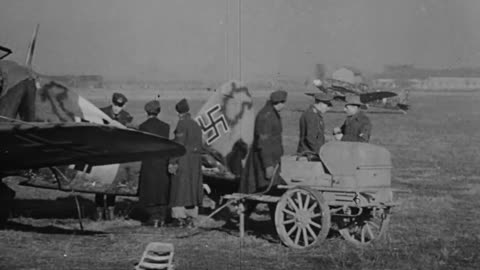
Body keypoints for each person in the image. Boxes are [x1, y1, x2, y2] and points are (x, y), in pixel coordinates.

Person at [239, 89, 287, 194]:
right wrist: (268, 165)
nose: (284, 106)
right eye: (283, 103)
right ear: (278, 103)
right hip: (264, 160)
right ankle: (244, 207)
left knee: (269, 189)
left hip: (272, 159)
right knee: (264, 188)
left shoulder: (272, 114)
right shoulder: (266, 117)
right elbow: (263, 143)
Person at [95, 92, 133, 220]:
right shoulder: (101, 112)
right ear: (112, 103)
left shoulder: (126, 116)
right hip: (102, 153)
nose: (117, 108)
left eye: (120, 106)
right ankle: (99, 211)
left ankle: (110, 210)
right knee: (100, 183)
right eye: (116, 105)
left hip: (116, 154)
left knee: (113, 183)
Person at [168, 98, 203, 228]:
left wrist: (172, 162)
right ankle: (191, 217)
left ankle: (179, 218)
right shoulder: (195, 124)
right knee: (192, 190)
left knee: (179, 190)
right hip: (195, 162)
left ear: (179, 113)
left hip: (184, 161)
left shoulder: (182, 124)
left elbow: (179, 144)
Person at [138, 100, 170, 227]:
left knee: (150, 190)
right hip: (162, 161)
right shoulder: (166, 127)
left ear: (147, 112)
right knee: (161, 189)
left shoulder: (143, 126)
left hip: (149, 162)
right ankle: (161, 217)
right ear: (159, 111)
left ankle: (153, 217)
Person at [297, 92, 333, 160]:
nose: (328, 108)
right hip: (309, 154)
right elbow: (311, 138)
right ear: (320, 103)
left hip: (310, 153)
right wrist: (320, 152)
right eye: (327, 105)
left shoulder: (314, 114)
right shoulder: (312, 115)